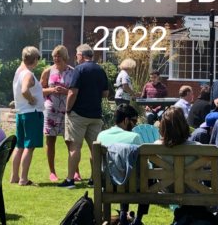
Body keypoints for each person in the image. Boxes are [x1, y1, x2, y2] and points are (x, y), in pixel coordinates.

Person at [59, 44, 109, 189]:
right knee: (94, 148)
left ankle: (70, 180)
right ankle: (94, 179)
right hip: (96, 114)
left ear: (81, 55)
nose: (76, 57)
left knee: (75, 146)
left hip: (79, 114)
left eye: (76, 54)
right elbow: (105, 94)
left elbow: (72, 92)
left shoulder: (79, 69)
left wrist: (68, 109)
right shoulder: (101, 70)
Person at [96, 104, 145, 225]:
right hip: (131, 185)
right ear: (126, 120)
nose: (135, 125)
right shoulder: (134, 137)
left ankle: (123, 215)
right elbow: (144, 165)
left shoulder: (101, 136)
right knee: (142, 179)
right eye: (134, 121)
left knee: (122, 172)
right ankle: (138, 219)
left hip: (108, 184)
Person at [40, 45, 78, 182]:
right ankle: (52, 172)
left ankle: (75, 171)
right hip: (51, 109)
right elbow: (39, 90)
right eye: (55, 56)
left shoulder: (73, 71)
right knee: (51, 139)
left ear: (65, 57)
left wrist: (65, 91)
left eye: (59, 56)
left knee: (70, 140)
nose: (56, 58)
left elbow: (76, 90)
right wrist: (50, 91)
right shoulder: (47, 71)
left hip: (67, 109)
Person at [11, 46, 45, 187]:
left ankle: (14, 176)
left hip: (21, 113)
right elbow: (25, 90)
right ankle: (23, 179)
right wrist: (31, 100)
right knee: (29, 147)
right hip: (31, 113)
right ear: (35, 59)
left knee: (19, 146)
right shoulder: (28, 74)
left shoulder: (19, 71)